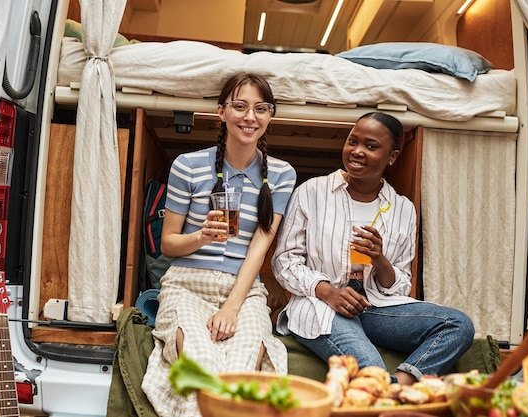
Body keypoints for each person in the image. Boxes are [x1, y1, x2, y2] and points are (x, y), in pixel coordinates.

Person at [272, 112, 474, 386]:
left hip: (376, 307)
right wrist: (328, 292)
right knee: (374, 372)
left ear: (392, 157)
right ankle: (388, 392)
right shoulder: (311, 192)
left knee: (459, 325)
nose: (357, 151)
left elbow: (400, 286)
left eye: (371, 146)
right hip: (322, 306)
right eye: (352, 141)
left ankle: (400, 386)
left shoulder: (402, 208)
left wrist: (380, 260)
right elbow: (285, 261)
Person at [142, 73, 297, 416]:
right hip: (186, 285)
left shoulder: (283, 174)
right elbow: (168, 244)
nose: (250, 117)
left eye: (261, 108)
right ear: (221, 112)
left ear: (270, 116)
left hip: (243, 291)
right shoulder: (188, 166)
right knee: (204, 375)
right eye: (239, 106)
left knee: (242, 378)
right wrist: (201, 236)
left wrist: (231, 307)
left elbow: (260, 247)